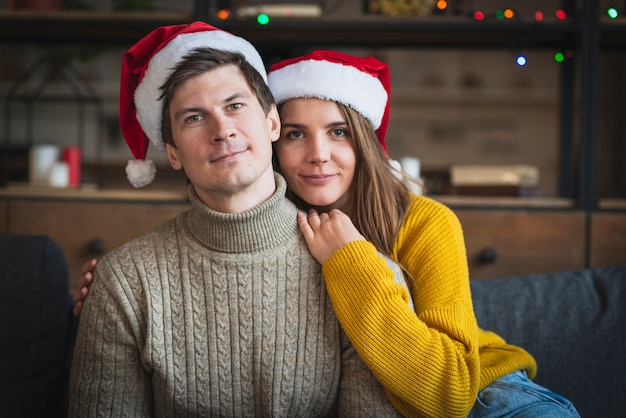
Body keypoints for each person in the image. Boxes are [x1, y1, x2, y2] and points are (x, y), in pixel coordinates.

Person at [73, 44, 581, 416]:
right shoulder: (280, 214)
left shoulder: (424, 223)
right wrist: (111, 287)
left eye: (338, 132)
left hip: (489, 395)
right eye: (297, 135)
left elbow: (449, 392)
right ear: (275, 136)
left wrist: (353, 261)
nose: (318, 154)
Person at [68, 22, 404, 417]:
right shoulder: (125, 282)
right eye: (194, 117)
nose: (222, 130)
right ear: (172, 153)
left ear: (272, 123)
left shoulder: (358, 274)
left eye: (235, 106)